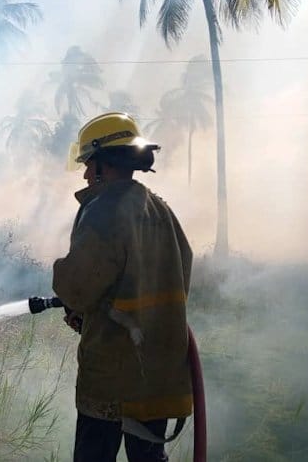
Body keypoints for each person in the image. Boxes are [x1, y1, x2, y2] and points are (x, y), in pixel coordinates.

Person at [52, 112, 193, 462]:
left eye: (89, 164)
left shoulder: (106, 209)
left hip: (114, 381)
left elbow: (78, 288)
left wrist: (72, 297)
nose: (85, 173)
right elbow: (180, 270)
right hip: (158, 372)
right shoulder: (159, 209)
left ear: (105, 164)